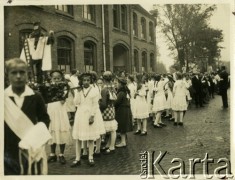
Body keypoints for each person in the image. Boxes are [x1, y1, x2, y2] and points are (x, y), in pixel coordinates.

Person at [4, 58, 50, 175]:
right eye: (14, 73)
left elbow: (44, 119)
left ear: (27, 74)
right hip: (7, 151)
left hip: (31, 149)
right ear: (7, 75)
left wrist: (35, 138)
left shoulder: (35, 96)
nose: (18, 76)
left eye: (22, 72)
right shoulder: (3, 98)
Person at [71, 72, 101, 167]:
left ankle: (90, 157)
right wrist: (78, 92)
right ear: (81, 81)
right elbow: (76, 102)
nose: (86, 82)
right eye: (84, 80)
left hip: (89, 114)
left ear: (91, 80)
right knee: (79, 138)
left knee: (90, 138)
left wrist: (92, 116)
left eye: (88, 80)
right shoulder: (79, 90)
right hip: (80, 114)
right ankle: (77, 158)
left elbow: (95, 105)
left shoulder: (94, 91)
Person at [47, 70, 72, 165]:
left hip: (60, 112)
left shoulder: (64, 88)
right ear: (51, 79)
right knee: (52, 131)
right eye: (54, 78)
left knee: (61, 131)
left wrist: (60, 90)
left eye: (58, 78)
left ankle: (61, 154)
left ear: (61, 79)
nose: (56, 80)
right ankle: (52, 154)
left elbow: (62, 101)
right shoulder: (48, 87)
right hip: (51, 112)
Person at [99, 71, 118, 154]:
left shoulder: (103, 88)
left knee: (110, 129)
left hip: (105, 109)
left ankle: (112, 147)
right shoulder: (113, 86)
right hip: (112, 108)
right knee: (112, 128)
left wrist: (100, 107)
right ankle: (109, 145)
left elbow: (103, 102)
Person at [114, 77, 133, 147]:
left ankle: (123, 142)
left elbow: (116, 102)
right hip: (127, 110)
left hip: (122, 110)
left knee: (122, 126)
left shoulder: (121, 92)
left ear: (120, 84)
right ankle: (123, 140)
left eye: (117, 83)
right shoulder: (126, 91)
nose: (116, 85)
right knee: (124, 126)